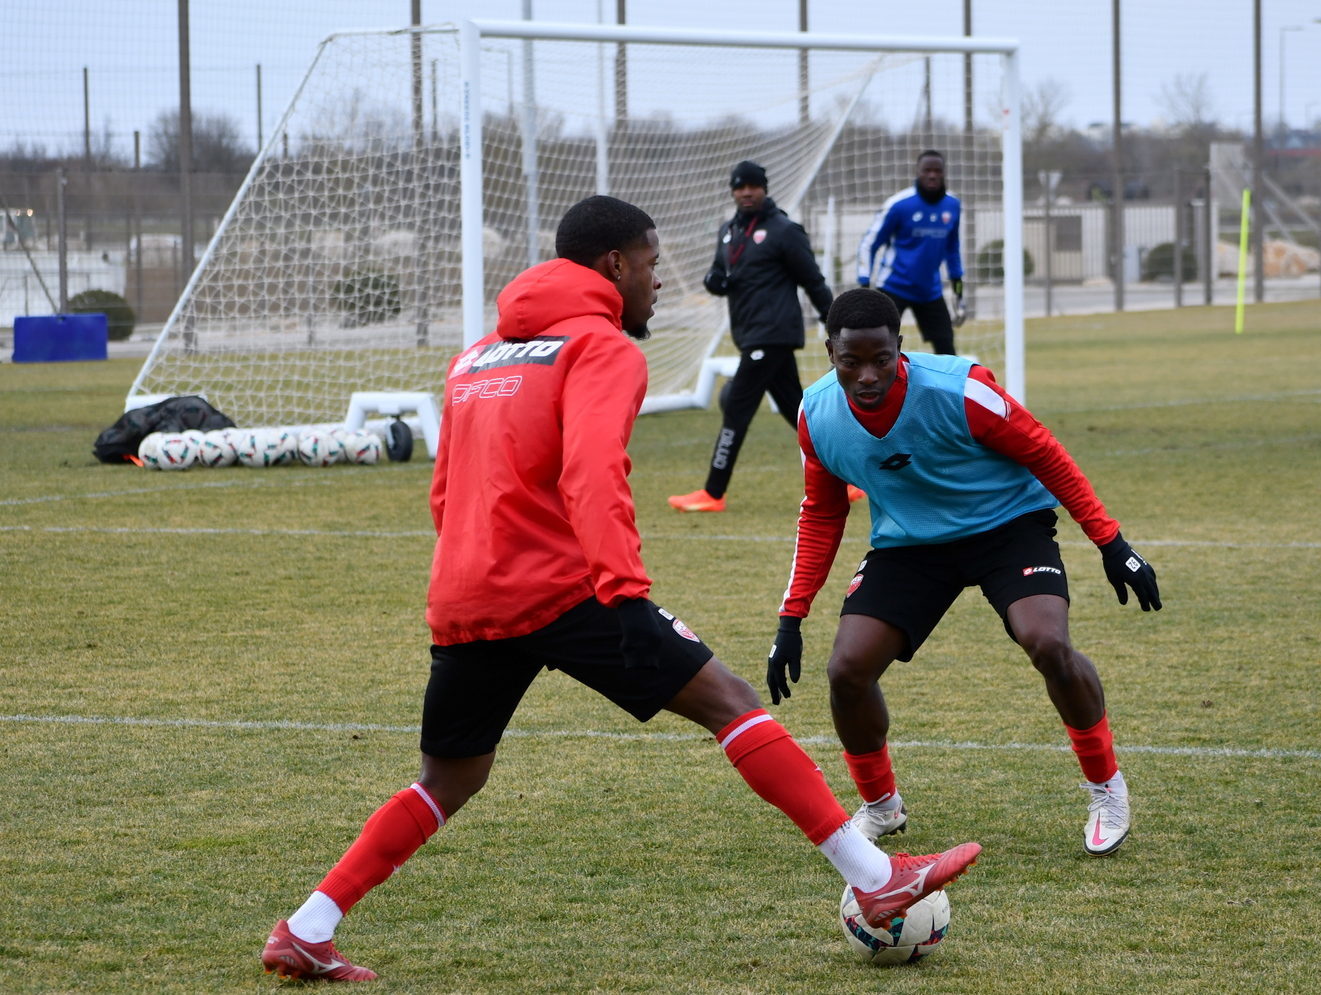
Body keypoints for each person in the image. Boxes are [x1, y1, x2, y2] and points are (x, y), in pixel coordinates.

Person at [260, 199, 979, 983]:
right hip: (567, 591)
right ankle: (878, 879)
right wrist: (626, 593)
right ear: (613, 266)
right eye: (650, 262)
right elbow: (593, 473)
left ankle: (308, 926)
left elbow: (446, 492)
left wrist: (481, 571)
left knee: (450, 775)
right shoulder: (600, 348)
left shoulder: (474, 358)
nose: (658, 281)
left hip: (466, 592)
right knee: (731, 701)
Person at [765, 288, 1160, 862]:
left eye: (881, 359)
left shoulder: (961, 389)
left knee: (1047, 641)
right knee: (847, 669)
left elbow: (1046, 453)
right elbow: (822, 512)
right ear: (828, 351)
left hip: (1007, 526)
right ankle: (882, 806)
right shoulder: (815, 414)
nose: (868, 375)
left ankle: (1106, 789)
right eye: (851, 361)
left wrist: (1111, 542)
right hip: (911, 544)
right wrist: (791, 616)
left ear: (901, 347)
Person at [668, 160, 844, 514]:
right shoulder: (728, 231)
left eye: (753, 186)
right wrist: (713, 282)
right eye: (740, 187)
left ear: (764, 188)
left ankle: (713, 492)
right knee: (800, 412)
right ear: (732, 191)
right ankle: (847, 480)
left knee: (736, 406)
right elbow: (720, 273)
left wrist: (837, 325)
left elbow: (813, 280)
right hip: (749, 333)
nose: (746, 192)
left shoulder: (783, 230)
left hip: (773, 333)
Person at [856, 150, 965, 356]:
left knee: (947, 350)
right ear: (918, 172)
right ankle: (833, 385)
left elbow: (953, 250)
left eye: (937, 171)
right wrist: (864, 284)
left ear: (944, 173)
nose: (932, 175)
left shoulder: (953, 205)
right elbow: (868, 244)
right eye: (927, 170)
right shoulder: (899, 205)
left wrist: (958, 291)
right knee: (867, 342)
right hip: (894, 287)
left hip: (930, 291)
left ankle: (947, 389)